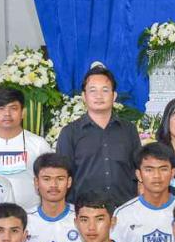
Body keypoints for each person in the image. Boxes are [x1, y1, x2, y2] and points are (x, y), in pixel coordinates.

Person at [56, 63, 141, 204]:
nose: (99, 96)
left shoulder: (129, 130)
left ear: (114, 96)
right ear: (84, 96)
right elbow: (62, 174)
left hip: (124, 209)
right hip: (85, 211)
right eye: (93, 90)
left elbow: (139, 170)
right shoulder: (70, 133)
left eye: (105, 90)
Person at [0, 86, 52, 211]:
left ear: (23, 112)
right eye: (1, 108)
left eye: (13, 108)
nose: (7, 114)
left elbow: (50, 180)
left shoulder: (39, 144)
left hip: (30, 215)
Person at [112, 142, 175, 242]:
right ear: (139, 175)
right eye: (149, 169)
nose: (157, 176)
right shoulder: (123, 214)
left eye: (163, 169)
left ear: (172, 173)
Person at [22, 153, 82, 242]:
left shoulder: (83, 218)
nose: (54, 185)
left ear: (69, 182)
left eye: (60, 179)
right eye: (47, 179)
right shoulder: (23, 220)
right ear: (36, 182)